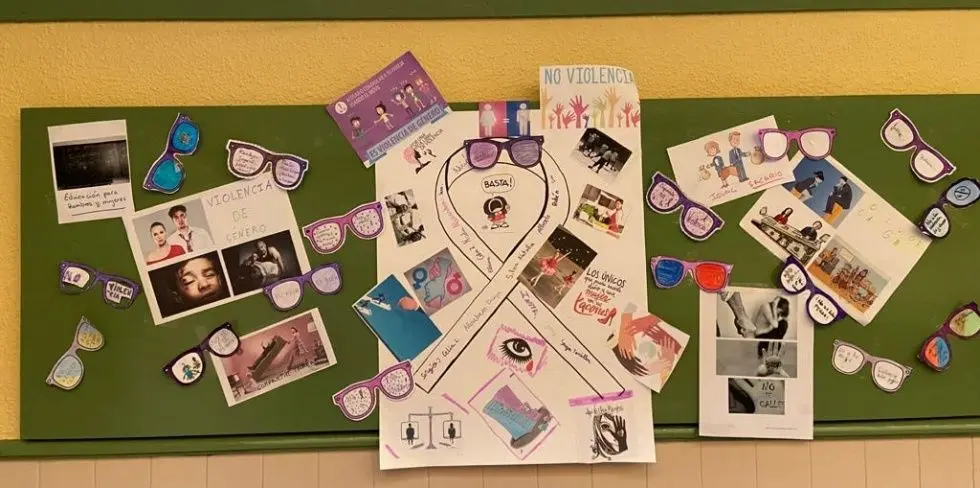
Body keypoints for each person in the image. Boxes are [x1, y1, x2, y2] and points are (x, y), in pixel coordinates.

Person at [719, 290, 790, 339]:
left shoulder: (774, 312)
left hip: (766, 333)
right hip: (760, 334)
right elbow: (775, 325)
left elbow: (776, 324)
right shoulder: (766, 306)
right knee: (782, 324)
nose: (778, 313)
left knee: (784, 323)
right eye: (779, 310)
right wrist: (774, 307)